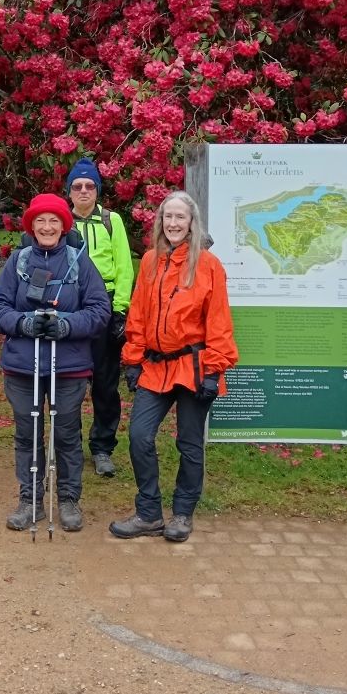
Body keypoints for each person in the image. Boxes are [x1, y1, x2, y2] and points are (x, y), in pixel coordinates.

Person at [109, 191, 237, 543]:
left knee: (190, 443)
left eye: (181, 217)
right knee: (139, 436)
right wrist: (133, 359)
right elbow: (138, 315)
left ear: (192, 222)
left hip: (195, 366)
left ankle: (182, 513)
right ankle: (149, 512)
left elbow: (220, 321)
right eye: (168, 217)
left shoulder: (208, 265)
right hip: (155, 365)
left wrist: (213, 369)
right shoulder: (150, 261)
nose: (174, 223)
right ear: (161, 222)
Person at [0, 193, 111, 533]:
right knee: (28, 435)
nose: (47, 226)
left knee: (67, 434)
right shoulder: (19, 262)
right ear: (31, 225)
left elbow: (100, 310)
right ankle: (30, 501)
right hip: (24, 366)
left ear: (63, 225)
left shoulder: (79, 262)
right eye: (40, 220)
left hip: (67, 366)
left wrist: (68, 325)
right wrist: (22, 323)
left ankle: (69, 500)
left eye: (54, 220)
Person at [64, 157, 135, 478]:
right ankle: (69, 443)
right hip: (70, 304)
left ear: (97, 190)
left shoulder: (112, 221)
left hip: (104, 304)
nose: (83, 191)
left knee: (105, 383)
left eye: (89, 186)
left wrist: (120, 309)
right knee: (70, 380)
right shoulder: (61, 221)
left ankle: (103, 446)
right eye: (77, 186)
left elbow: (124, 267)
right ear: (69, 191)